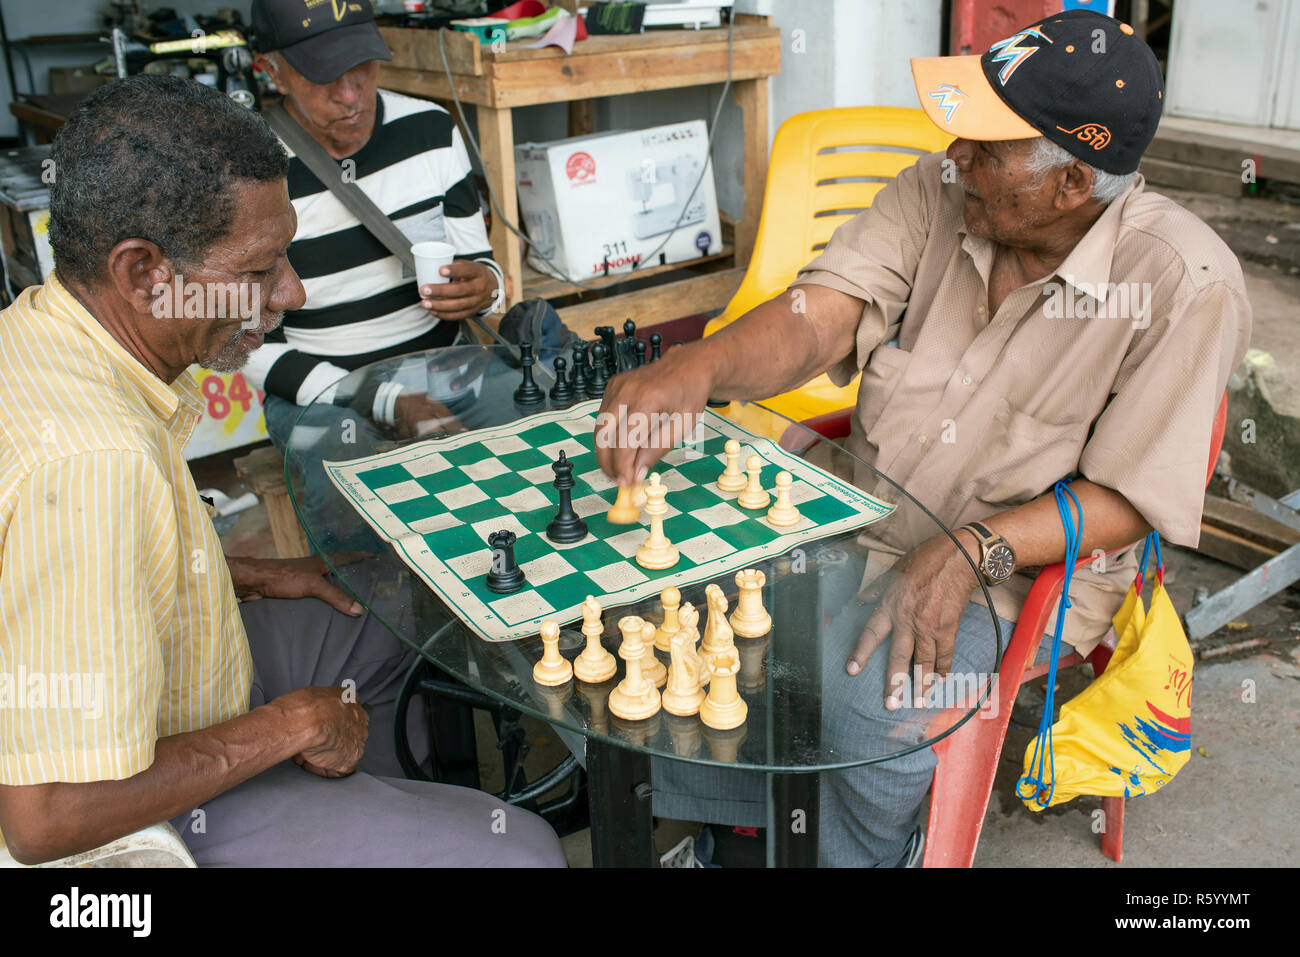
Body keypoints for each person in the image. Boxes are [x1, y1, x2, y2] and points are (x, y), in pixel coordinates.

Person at [594, 9, 1251, 865]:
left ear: (1072, 184)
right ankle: (755, 830)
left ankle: (863, 851)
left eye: (987, 147)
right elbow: (820, 317)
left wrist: (973, 549)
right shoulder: (934, 194)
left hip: (1019, 574)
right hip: (854, 510)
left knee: (875, 706)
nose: (955, 157)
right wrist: (702, 366)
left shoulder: (1185, 286)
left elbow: (1133, 493)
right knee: (644, 621)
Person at [0, 75, 565, 868]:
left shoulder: (44, 328)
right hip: (136, 806)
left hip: (175, 684)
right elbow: (45, 817)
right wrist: (288, 728)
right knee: (526, 853)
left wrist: (246, 572)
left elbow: (71, 575)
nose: (290, 292)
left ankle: (374, 806)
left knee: (393, 593)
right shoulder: (92, 462)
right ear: (140, 272)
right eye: (261, 269)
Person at [243, 0, 504, 448]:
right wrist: (383, 400)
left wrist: (486, 287)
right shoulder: (243, 172)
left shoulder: (432, 131)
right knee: (359, 482)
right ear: (272, 71)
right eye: (323, 74)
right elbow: (248, 344)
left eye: (361, 65)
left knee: (534, 450)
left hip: (446, 371)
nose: (350, 95)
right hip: (327, 394)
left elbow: (482, 266)